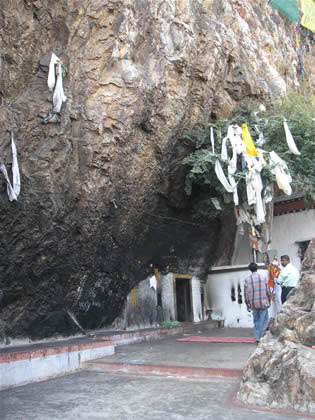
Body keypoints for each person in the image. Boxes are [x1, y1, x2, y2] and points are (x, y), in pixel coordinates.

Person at [244, 262, 271, 343]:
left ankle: (257, 337)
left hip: (253, 303)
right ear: (257, 268)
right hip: (263, 302)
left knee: (256, 320)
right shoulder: (263, 278)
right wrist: (269, 300)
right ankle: (262, 336)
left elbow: (246, 294)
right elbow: (268, 291)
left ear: (250, 270)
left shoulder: (247, 280)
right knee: (264, 320)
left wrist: (247, 304)